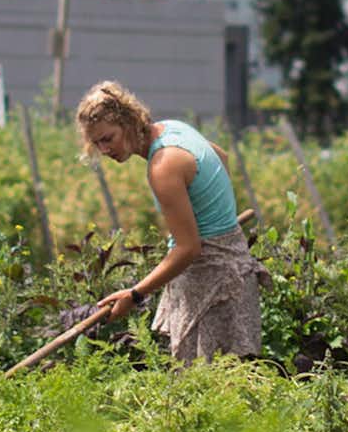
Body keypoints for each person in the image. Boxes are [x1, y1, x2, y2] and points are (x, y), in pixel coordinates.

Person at [77, 80, 261, 363]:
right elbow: (220, 156)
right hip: (233, 265)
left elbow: (188, 249)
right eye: (96, 142)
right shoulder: (175, 129)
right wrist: (214, 213)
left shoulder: (163, 165)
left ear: (128, 122)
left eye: (108, 138)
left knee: (207, 391)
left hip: (213, 284)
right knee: (225, 390)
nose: (103, 149)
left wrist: (135, 294)